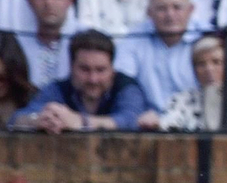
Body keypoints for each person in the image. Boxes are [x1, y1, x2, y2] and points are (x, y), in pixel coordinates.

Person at [11, 24, 147, 128]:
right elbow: (17, 118)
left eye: (100, 70)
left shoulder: (126, 87)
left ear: (112, 69)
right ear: (71, 67)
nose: (93, 79)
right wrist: (39, 120)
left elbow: (131, 119)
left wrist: (81, 122)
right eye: (85, 69)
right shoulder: (59, 89)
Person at [119, 0, 199, 114]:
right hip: (147, 126)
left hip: (196, 123)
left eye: (177, 7)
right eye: (162, 8)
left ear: (190, 10)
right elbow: (123, 84)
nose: (170, 15)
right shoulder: (134, 38)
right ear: (149, 12)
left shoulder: (206, 37)